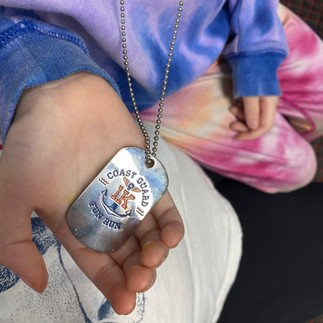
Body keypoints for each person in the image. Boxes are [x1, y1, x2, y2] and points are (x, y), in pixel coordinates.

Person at [0, 0, 321, 321]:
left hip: (230, 23)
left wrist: (259, 47)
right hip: (117, 86)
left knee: (311, 118)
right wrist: (41, 73)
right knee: (298, 166)